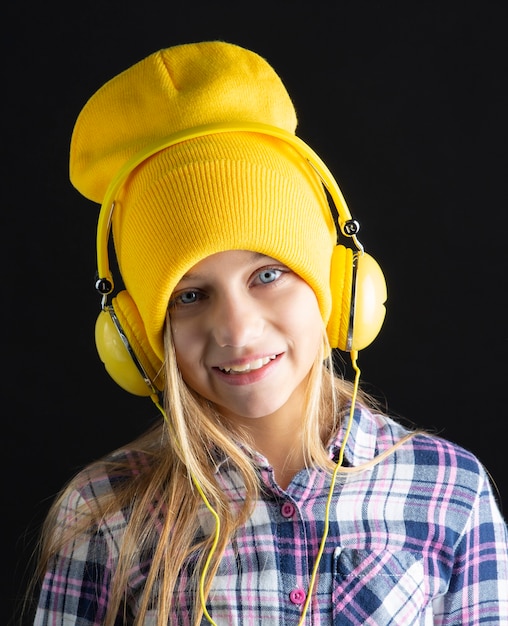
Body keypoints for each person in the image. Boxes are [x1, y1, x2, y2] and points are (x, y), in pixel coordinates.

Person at [27, 40, 507, 625]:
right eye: (190, 296)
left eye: (268, 274)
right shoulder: (102, 513)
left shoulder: (450, 491)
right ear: (136, 334)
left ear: (340, 284)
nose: (236, 327)